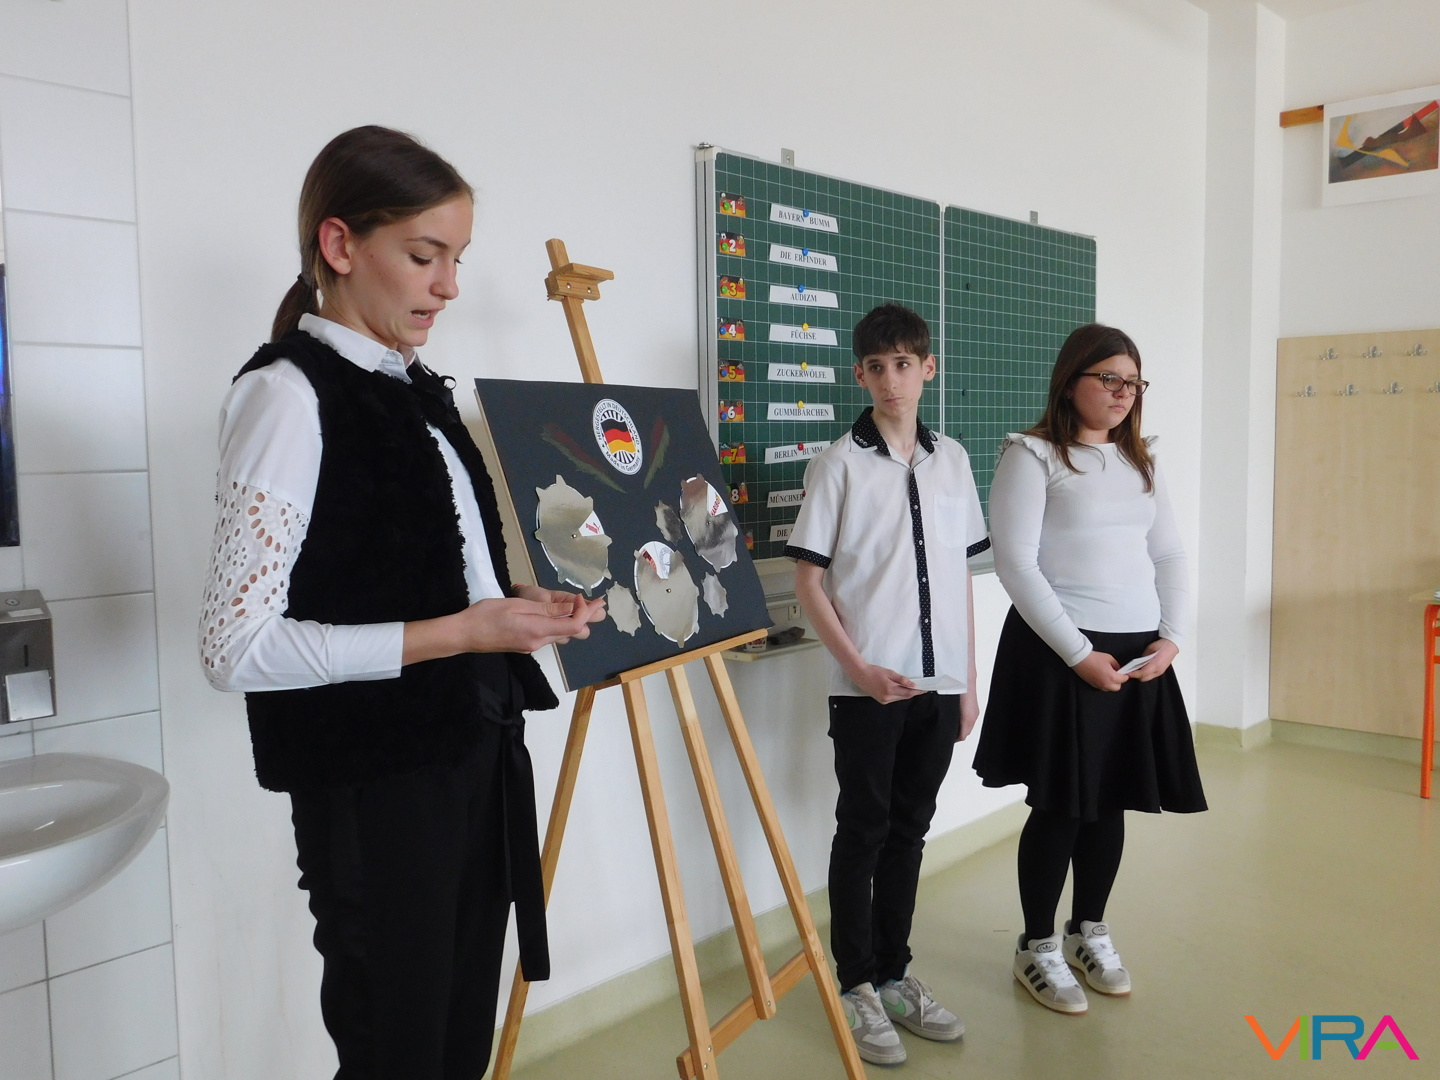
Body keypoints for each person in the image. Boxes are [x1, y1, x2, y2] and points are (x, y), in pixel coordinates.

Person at [198, 125, 605, 1080]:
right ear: (340, 245)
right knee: (398, 1051)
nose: (449, 286)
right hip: (376, 789)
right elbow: (234, 647)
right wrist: (464, 630)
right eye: (425, 256)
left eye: (457, 259)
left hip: (469, 753)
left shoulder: (415, 389)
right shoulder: (286, 396)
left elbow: (407, 565)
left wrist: (510, 602)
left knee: (457, 1043)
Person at [973, 323, 1206, 1015]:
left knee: (1111, 801)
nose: (1123, 392)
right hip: (1059, 652)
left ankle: (1088, 931)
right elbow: (1016, 564)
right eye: (1109, 378)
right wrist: (1077, 653)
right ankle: (1037, 945)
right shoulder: (1033, 455)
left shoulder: (1141, 463)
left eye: (1132, 382)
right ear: (1071, 380)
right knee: (1061, 805)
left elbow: (1169, 555)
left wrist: (1171, 639)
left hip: (1137, 653)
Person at [785, 303, 988, 1066]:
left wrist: (968, 681)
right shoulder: (839, 464)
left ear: (928, 368)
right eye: (877, 366)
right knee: (863, 832)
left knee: (910, 830)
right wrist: (860, 670)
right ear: (860, 375)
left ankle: (896, 974)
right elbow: (809, 582)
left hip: (940, 684)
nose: (891, 379)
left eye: (904, 364)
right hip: (868, 687)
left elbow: (960, 575)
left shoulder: (953, 460)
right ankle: (856, 984)